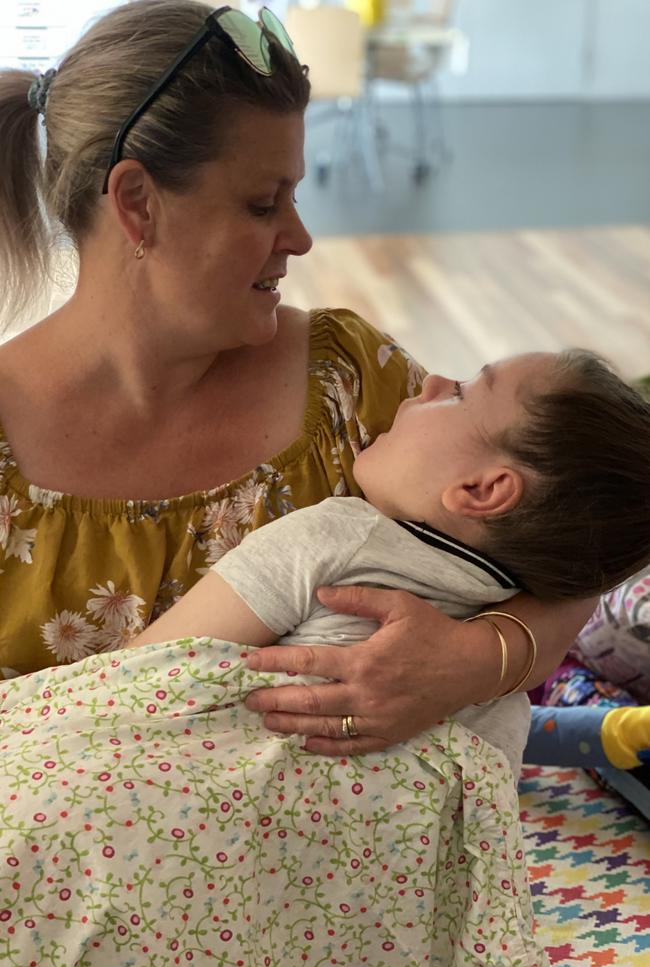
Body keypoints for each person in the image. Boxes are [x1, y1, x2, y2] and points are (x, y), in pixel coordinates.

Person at [0, 0, 595, 759]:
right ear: (137, 204)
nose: (302, 236)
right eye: (262, 203)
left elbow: (575, 539)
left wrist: (471, 661)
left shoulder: (348, 381)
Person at [135, 347, 650, 778]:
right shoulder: (507, 695)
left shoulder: (336, 537)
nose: (432, 381)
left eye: (461, 392)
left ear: (482, 489)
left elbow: (128, 681)